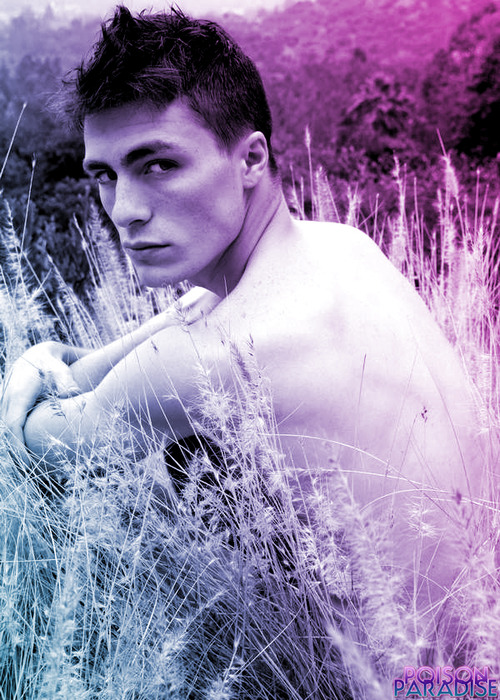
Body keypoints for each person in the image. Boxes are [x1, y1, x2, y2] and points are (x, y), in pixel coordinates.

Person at [0, 6, 488, 640]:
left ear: (251, 159)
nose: (125, 210)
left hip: (420, 680)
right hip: (483, 652)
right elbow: (136, 346)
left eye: (158, 165)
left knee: (166, 472)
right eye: (105, 176)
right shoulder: (343, 245)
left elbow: (33, 440)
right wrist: (51, 360)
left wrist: (25, 364)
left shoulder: (215, 358)